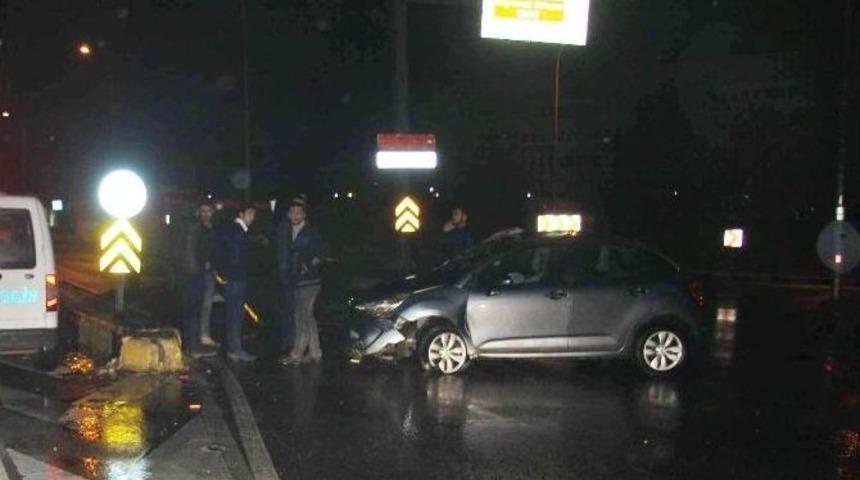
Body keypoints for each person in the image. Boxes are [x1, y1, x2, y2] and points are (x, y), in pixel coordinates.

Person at [277, 198, 323, 365]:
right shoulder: (288, 231)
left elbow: (320, 253)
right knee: (307, 316)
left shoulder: (310, 232)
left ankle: (297, 353)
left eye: (299, 212)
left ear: (304, 215)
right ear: (288, 214)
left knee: (302, 316)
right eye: (292, 212)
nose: (295, 215)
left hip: (309, 281)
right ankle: (315, 351)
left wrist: (307, 266)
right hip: (296, 280)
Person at [214, 203, 257, 363]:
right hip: (237, 278)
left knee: (233, 314)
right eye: (250, 214)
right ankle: (235, 349)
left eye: (253, 214)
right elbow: (236, 257)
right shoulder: (237, 231)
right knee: (235, 315)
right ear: (241, 214)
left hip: (233, 278)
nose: (252, 218)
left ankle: (234, 348)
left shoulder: (233, 230)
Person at [182, 199, 218, 358]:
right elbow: (190, 250)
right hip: (197, 273)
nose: (205, 214)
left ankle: (195, 341)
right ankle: (194, 345)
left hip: (205, 271)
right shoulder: (195, 227)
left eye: (208, 211)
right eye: (203, 211)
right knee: (195, 308)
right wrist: (195, 271)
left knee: (199, 307)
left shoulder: (211, 228)